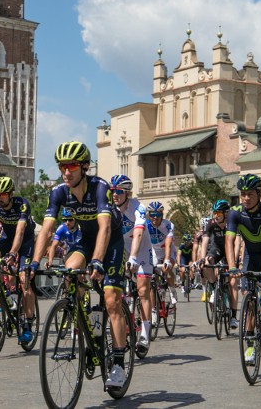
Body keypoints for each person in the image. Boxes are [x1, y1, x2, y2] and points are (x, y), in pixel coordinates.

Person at [28, 142, 127, 388]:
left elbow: (104, 227)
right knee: (70, 272)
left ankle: (118, 364)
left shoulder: (100, 187)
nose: (66, 171)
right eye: (62, 166)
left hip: (111, 241)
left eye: (71, 166)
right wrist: (33, 263)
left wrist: (97, 260)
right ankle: (81, 319)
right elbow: (47, 229)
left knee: (112, 300)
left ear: (84, 167)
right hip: (85, 239)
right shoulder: (59, 192)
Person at [224, 173, 261, 365]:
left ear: (259, 193)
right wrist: (232, 266)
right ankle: (250, 346)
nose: (246, 198)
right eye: (243, 194)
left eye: (250, 194)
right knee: (249, 302)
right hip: (250, 254)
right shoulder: (234, 212)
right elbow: (229, 240)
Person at [0, 176, 36, 343]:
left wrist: (12, 253)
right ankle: (2, 289)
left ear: (11, 194)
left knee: (24, 279)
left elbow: (19, 232)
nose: (0, 197)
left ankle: (27, 324)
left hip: (25, 240)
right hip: (6, 237)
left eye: (3, 194)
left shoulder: (22, 204)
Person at [110, 174, 153, 351]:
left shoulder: (138, 207)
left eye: (119, 191)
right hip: (122, 248)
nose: (115, 194)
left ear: (127, 193)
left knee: (143, 290)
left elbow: (138, 233)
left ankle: (145, 333)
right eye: (112, 191)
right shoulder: (110, 208)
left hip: (141, 248)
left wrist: (133, 257)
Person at [200, 199, 239, 329]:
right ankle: (212, 286)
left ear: (226, 214)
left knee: (233, 283)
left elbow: (238, 243)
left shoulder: (232, 223)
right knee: (207, 262)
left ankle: (233, 316)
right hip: (216, 249)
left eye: (219, 213)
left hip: (231, 252)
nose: (216, 216)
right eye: (215, 213)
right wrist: (201, 258)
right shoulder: (210, 224)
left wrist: (234, 261)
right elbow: (205, 242)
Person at [145, 201, 177, 324]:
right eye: (152, 214)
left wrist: (167, 260)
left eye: (157, 215)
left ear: (162, 215)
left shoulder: (168, 225)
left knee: (166, 269)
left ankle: (172, 289)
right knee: (152, 280)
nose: (155, 217)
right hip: (153, 251)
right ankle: (153, 311)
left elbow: (168, 244)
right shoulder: (146, 224)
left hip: (166, 251)